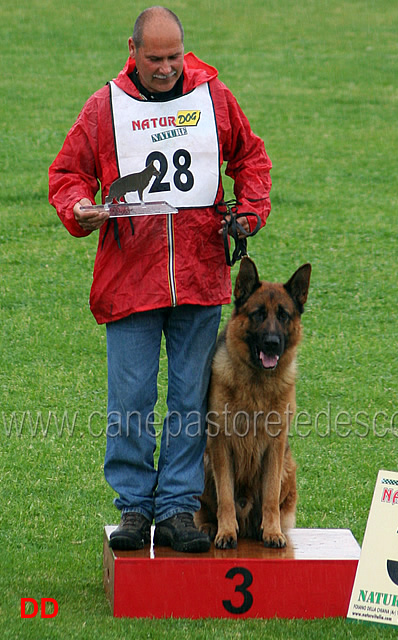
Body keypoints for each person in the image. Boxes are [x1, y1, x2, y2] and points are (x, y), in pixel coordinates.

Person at [49, 6, 272, 553]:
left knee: (191, 399)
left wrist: (250, 209)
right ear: (133, 50)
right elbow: (67, 172)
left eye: (174, 56)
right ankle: (132, 508)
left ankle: (175, 507)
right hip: (130, 279)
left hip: (199, 275)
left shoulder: (214, 96)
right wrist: (79, 205)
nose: (167, 67)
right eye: (154, 58)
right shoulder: (104, 106)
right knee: (130, 397)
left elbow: (251, 157)